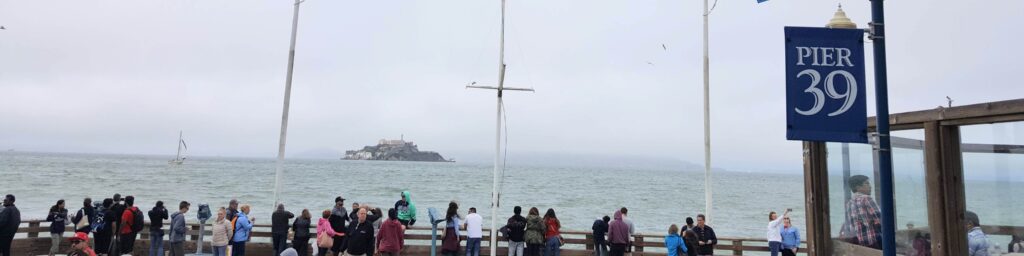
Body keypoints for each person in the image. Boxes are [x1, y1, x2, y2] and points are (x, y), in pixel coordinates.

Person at [839, 175, 882, 249]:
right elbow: (880, 218)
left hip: (859, 241)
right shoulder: (867, 199)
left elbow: (850, 224)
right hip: (872, 240)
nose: (870, 186)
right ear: (858, 187)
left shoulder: (849, 203)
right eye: (867, 184)